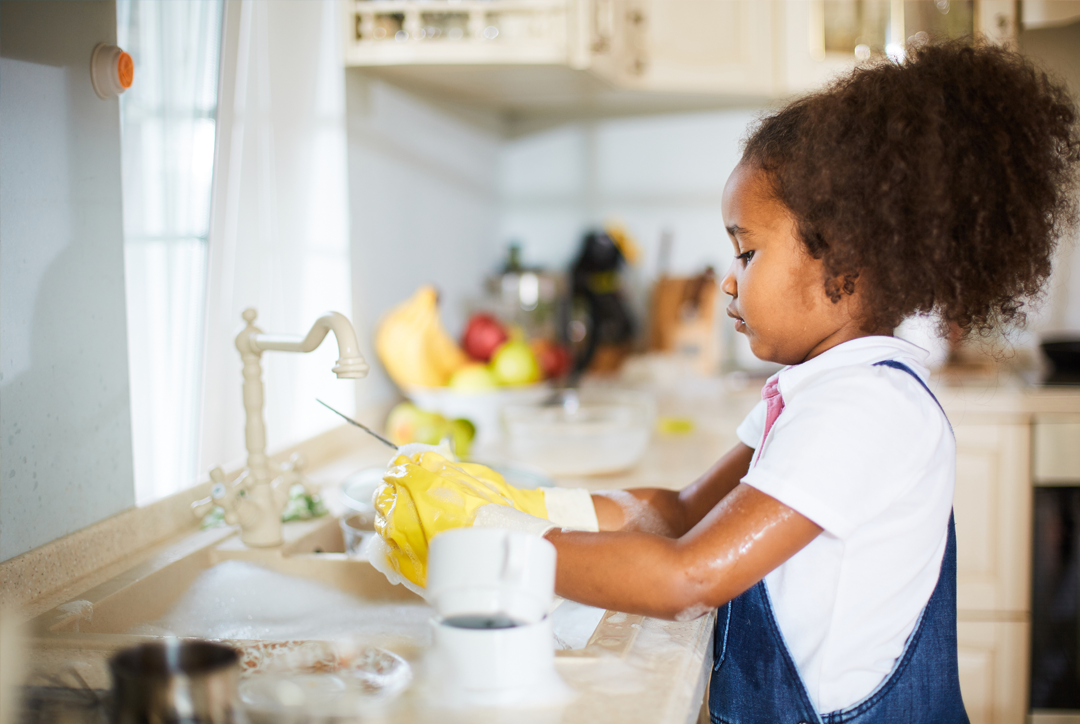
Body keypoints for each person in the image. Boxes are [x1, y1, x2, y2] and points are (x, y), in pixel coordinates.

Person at [373, 40, 1080, 722]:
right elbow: (678, 513)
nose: (728, 279)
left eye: (747, 250)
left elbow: (689, 576)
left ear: (850, 261)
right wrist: (519, 503)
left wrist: (487, 544)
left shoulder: (865, 409)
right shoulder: (822, 390)